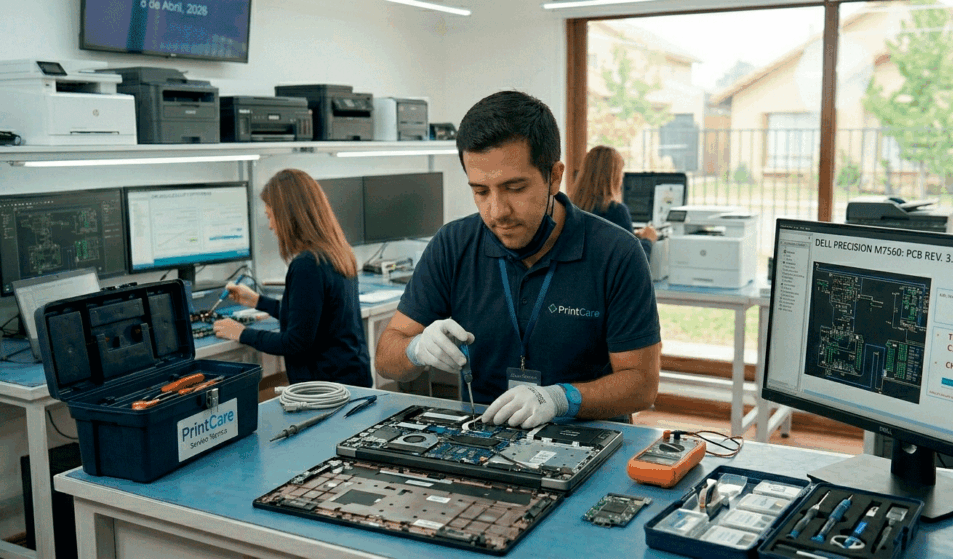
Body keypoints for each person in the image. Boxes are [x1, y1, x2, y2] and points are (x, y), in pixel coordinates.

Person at [375, 90, 661, 428]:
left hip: (588, 439)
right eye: (480, 191)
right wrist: (416, 350)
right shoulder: (453, 245)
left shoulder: (617, 253)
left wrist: (560, 398)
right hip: (485, 438)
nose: (497, 212)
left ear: (555, 176)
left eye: (514, 188)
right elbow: (386, 358)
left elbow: (642, 385)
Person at [213, 168, 371, 387]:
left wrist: (241, 333)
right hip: (350, 377)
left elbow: (296, 342)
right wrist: (257, 301)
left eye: (270, 216)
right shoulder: (336, 251)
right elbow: (309, 317)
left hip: (327, 388)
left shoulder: (308, 264)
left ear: (288, 215)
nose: (270, 225)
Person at [569, 145, 658, 259]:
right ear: (614, 177)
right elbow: (634, 263)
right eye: (621, 172)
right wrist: (647, 240)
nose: (622, 176)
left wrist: (633, 235)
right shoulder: (616, 211)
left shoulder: (569, 208)